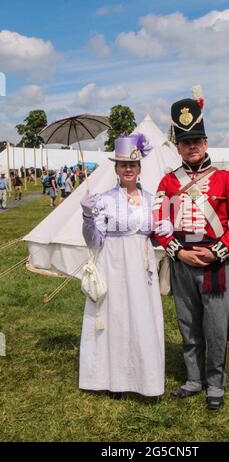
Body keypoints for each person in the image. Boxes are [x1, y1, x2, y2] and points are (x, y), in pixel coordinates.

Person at [153, 87, 229, 409]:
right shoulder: (168, 182)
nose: (191, 147)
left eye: (196, 141)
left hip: (215, 264)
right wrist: (179, 252)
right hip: (182, 261)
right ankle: (194, 379)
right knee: (188, 323)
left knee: (216, 326)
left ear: (205, 144)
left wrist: (217, 251)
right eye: (185, 142)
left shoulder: (224, 179)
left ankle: (215, 383)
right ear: (178, 147)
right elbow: (159, 224)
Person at [79, 134, 165, 397]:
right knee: (114, 318)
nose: (128, 169)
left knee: (141, 317)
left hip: (141, 268)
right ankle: (110, 379)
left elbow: (156, 235)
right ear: (115, 169)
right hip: (113, 265)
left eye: (133, 164)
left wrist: (164, 228)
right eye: (122, 164)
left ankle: (143, 379)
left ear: (139, 169)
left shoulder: (152, 200)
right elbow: (94, 242)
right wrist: (87, 216)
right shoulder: (103, 199)